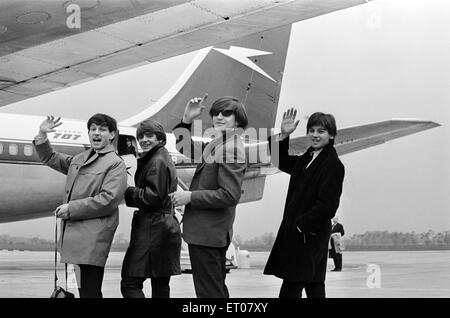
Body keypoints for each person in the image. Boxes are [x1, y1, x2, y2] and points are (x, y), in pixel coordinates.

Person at [33, 114, 127, 298]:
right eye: (93, 129)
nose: (96, 133)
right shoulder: (80, 158)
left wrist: (71, 208)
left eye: (102, 129)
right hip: (73, 241)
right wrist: (42, 134)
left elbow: (109, 199)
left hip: (91, 240)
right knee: (77, 290)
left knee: (90, 292)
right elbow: (50, 158)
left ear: (112, 134)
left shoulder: (115, 163)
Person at [170, 94, 247, 298]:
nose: (219, 117)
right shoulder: (219, 144)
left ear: (237, 120)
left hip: (208, 234)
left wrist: (190, 197)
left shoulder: (231, 148)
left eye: (227, 113)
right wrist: (186, 120)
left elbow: (229, 195)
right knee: (215, 291)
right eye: (216, 113)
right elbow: (185, 148)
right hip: (206, 233)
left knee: (209, 294)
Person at [263, 109, 345, 298]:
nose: (315, 135)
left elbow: (328, 206)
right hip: (305, 237)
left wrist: (300, 225)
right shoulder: (307, 158)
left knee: (291, 288)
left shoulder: (332, 164)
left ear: (331, 135)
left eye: (321, 131)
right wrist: (284, 135)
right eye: (312, 130)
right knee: (314, 286)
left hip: (308, 237)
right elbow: (279, 160)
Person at [120, 119, 181, 298]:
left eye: (149, 135)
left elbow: (153, 197)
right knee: (160, 286)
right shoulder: (160, 157)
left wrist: (129, 192)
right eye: (141, 136)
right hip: (164, 227)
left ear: (160, 138)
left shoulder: (157, 161)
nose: (144, 140)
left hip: (153, 228)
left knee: (130, 283)